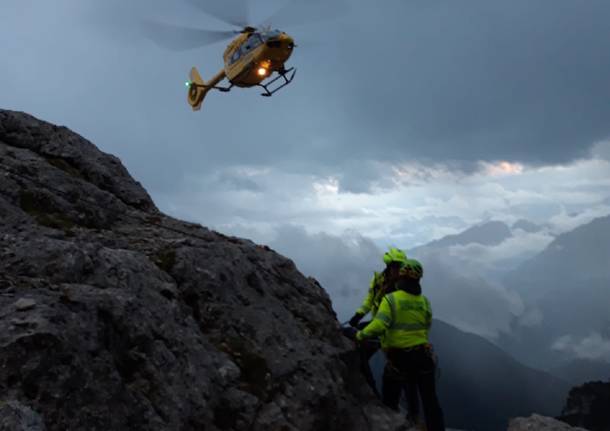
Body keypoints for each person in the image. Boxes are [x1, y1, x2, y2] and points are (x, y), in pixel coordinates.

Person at [356, 259, 445, 431]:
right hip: (423, 358)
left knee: (390, 400)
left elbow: (379, 325)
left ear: (401, 278)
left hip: (399, 360)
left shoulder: (391, 300)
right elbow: (426, 328)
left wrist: (359, 334)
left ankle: (396, 424)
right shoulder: (424, 302)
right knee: (431, 403)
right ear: (418, 280)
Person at [347, 247, 408, 396]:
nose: (398, 270)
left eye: (400, 267)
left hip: (390, 330)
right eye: (396, 266)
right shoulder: (378, 280)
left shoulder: (402, 287)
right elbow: (370, 301)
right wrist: (359, 314)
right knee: (361, 351)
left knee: (395, 368)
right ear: (389, 266)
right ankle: (369, 386)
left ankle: (370, 389)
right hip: (379, 325)